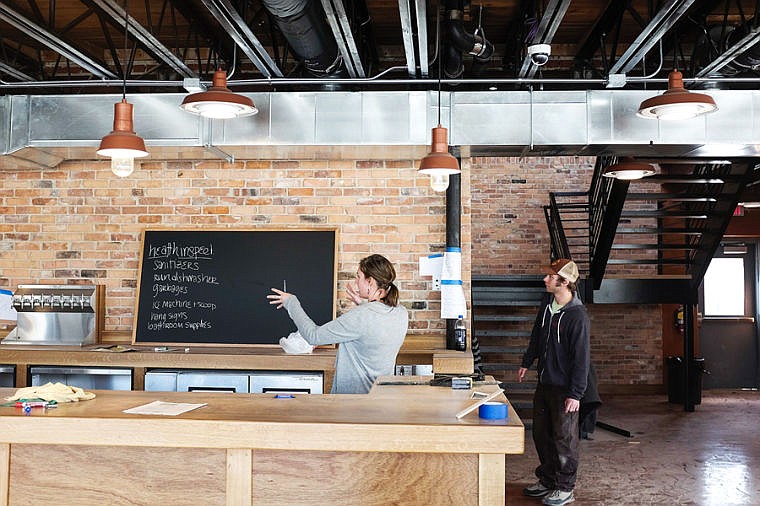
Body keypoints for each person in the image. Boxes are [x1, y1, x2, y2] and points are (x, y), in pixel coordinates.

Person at [268, 254, 408, 394]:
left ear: (370, 282)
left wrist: (291, 302)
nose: (356, 281)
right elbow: (375, 324)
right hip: (380, 404)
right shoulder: (401, 313)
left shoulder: (360, 316)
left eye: (358, 276)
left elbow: (314, 336)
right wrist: (363, 304)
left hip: (351, 406)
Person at [518, 258, 590, 506]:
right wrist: (527, 362)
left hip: (565, 390)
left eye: (550, 276)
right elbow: (537, 335)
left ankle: (565, 487)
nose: (545, 279)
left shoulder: (577, 316)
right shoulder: (548, 306)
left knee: (564, 439)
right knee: (541, 434)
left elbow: (582, 359)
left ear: (565, 282)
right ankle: (548, 480)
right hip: (545, 383)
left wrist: (576, 394)